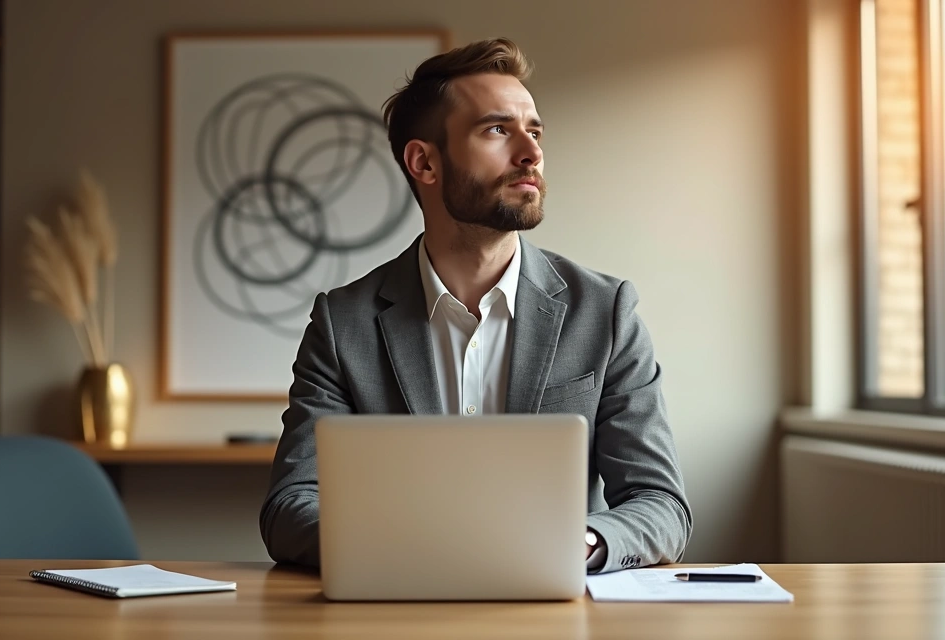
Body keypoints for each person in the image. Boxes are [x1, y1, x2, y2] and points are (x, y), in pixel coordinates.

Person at [259, 37, 692, 574]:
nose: (530, 151)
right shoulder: (343, 323)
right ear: (424, 162)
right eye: (497, 130)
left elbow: (662, 505)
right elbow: (288, 507)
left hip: (555, 613)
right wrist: (403, 548)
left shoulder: (605, 312)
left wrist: (576, 544)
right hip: (393, 611)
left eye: (533, 131)